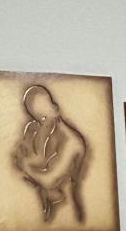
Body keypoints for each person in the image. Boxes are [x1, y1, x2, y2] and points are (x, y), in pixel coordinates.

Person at [14, 84, 87, 223]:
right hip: (46, 207)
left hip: (66, 213)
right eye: (36, 118)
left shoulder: (73, 143)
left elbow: (49, 180)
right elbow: (27, 156)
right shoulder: (39, 131)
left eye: (43, 117)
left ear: (55, 109)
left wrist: (26, 167)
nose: (41, 123)